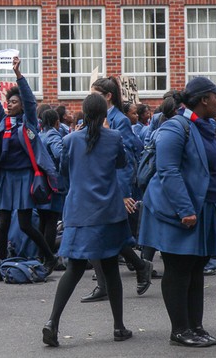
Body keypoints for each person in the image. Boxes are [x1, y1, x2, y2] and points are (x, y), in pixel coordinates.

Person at [138, 77, 216, 347]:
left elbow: (205, 166)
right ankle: (179, 330)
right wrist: (184, 209)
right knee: (179, 269)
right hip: (180, 212)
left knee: (196, 269)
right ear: (203, 99)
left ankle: (196, 326)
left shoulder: (205, 127)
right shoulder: (175, 127)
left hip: (205, 207)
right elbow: (168, 171)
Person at [42, 94, 134, 347]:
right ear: (105, 114)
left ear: (83, 113)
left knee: (74, 269)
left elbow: (63, 172)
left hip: (79, 210)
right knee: (112, 270)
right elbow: (122, 163)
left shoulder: (70, 140)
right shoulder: (114, 137)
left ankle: (52, 322)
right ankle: (118, 327)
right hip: (108, 211)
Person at [0, 56, 59, 282]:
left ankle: (49, 256)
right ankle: (0, 267)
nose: (10, 105)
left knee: (26, 224)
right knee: (3, 224)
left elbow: (30, 101)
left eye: (14, 102)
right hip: (5, 178)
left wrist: (19, 75)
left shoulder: (29, 122)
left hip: (25, 177)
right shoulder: (2, 121)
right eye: (9, 102)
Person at [82, 77, 151, 302]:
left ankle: (137, 267)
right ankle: (136, 268)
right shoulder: (94, 118)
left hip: (111, 186)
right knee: (102, 234)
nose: (90, 98)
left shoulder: (119, 120)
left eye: (95, 94)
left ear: (108, 96)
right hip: (95, 185)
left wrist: (123, 193)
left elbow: (128, 155)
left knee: (104, 234)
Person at [38, 109, 65, 260]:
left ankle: (40, 254)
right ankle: (48, 255)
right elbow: (60, 154)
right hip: (54, 183)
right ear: (57, 122)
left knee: (42, 220)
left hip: (41, 183)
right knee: (51, 221)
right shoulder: (53, 135)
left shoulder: (40, 135)